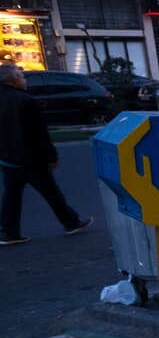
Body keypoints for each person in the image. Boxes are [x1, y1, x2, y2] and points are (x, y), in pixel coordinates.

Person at [0, 64, 92, 245]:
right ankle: (71, 222)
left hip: (8, 158)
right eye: (21, 76)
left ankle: (9, 232)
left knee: (11, 196)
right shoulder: (25, 101)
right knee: (51, 193)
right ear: (13, 80)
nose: (24, 79)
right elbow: (38, 134)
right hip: (30, 158)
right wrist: (51, 157)